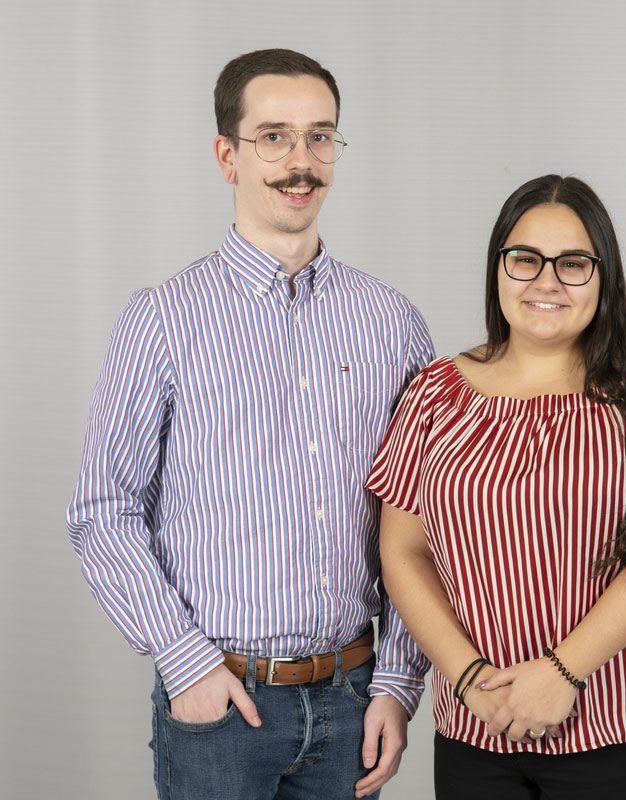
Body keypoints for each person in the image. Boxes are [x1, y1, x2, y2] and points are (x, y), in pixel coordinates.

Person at [66, 49, 431, 800]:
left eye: (320, 136)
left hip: (351, 700)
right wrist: (184, 662)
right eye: (274, 137)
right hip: (220, 706)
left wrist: (395, 682)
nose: (301, 161)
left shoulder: (391, 322)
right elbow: (102, 509)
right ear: (227, 156)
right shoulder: (164, 319)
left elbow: (422, 515)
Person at [366, 175, 626, 800]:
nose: (546, 281)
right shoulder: (435, 394)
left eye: (573, 263)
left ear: (603, 275)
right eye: (525, 259)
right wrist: (469, 678)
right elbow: (402, 551)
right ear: (497, 267)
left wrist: (563, 674)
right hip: (479, 731)